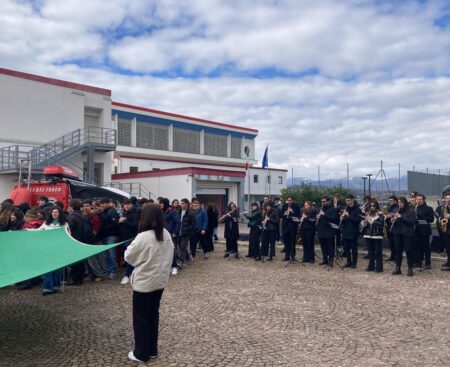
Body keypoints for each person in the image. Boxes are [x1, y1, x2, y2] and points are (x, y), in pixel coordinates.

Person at [124, 204, 174, 363]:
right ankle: (152, 349)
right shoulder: (166, 233)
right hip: (159, 281)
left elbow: (128, 257)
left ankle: (141, 353)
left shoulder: (143, 236)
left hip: (144, 283)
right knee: (153, 315)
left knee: (141, 318)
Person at [39, 206, 68, 295]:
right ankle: (47, 288)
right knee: (48, 268)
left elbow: (68, 235)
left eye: (56, 212)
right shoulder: (46, 223)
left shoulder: (64, 224)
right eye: (53, 212)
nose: (54, 214)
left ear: (59, 213)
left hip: (59, 249)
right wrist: (27, 230)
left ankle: (56, 286)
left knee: (58, 268)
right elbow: (38, 231)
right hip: (49, 248)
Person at [391, 196, 418, 276]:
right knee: (398, 251)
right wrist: (393, 220)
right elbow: (396, 221)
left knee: (408, 251)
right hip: (397, 233)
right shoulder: (397, 210)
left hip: (407, 234)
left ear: (405, 203)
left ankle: (410, 269)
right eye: (399, 203)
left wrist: (401, 217)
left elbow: (412, 222)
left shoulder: (411, 211)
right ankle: (397, 268)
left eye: (401, 203)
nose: (400, 204)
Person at [119, 199, 141, 284]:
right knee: (127, 257)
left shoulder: (134, 214)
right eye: (125, 204)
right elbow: (121, 227)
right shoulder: (124, 214)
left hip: (132, 239)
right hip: (124, 239)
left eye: (128, 204)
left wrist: (125, 222)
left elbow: (135, 226)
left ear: (131, 205)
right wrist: (120, 223)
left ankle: (127, 275)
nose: (126, 206)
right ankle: (130, 273)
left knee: (130, 257)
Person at [98, 198, 120, 279]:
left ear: (108, 203)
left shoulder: (112, 211)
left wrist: (105, 227)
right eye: (102, 203)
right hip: (104, 236)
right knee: (106, 255)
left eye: (104, 203)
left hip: (111, 235)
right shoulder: (102, 212)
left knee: (111, 254)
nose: (103, 205)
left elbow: (115, 223)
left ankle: (113, 271)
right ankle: (108, 270)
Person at [362, 199, 385, 272]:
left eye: (373, 206)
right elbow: (366, 225)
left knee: (378, 252)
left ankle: (379, 267)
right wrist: (365, 221)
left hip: (377, 235)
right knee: (371, 251)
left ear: (376, 206)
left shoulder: (380, 214)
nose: (372, 207)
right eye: (371, 205)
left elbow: (381, 224)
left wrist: (372, 220)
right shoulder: (368, 213)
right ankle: (370, 266)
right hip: (368, 234)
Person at [159, 198, 181, 274]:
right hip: (163, 234)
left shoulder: (172, 212)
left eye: (161, 203)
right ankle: (168, 266)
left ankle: (174, 266)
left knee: (172, 250)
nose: (160, 204)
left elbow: (178, 222)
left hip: (172, 234)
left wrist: (175, 232)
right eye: (159, 203)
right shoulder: (161, 212)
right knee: (164, 251)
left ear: (165, 203)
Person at [316, 196, 339, 266]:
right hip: (321, 230)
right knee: (323, 247)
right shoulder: (321, 209)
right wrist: (318, 217)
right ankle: (325, 259)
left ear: (328, 201)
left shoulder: (332, 209)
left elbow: (334, 219)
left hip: (329, 231)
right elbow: (321, 219)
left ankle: (330, 261)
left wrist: (324, 214)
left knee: (330, 247)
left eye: (324, 201)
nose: (323, 203)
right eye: (322, 202)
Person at [340, 195, 362, 269]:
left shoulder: (357, 209)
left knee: (353, 248)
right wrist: (342, 218)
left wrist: (349, 216)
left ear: (352, 200)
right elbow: (344, 221)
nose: (347, 202)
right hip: (345, 231)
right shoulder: (346, 209)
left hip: (353, 231)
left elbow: (358, 220)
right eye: (346, 200)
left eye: (349, 200)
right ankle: (348, 262)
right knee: (346, 248)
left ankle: (354, 263)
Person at [415, 194, 434, 269]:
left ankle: (427, 263)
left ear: (423, 200)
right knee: (418, 247)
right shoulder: (415, 208)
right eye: (417, 199)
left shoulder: (429, 208)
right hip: (417, 230)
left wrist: (421, 216)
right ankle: (419, 261)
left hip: (425, 230)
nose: (418, 201)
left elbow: (431, 220)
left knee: (426, 247)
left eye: (420, 199)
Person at [281, 196, 300, 261]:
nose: (289, 201)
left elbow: (298, 215)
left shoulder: (296, 206)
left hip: (292, 226)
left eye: (290, 200)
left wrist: (292, 212)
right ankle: (287, 256)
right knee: (286, 241)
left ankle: (293, 256)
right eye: (288, 200)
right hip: (285, 226)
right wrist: (284, 213)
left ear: (293, 200)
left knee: (292, 241)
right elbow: (280, 215)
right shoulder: (284, 206)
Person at [177, 198, 196, 266]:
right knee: (181, 246)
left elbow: (193, 223)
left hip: (186, 233)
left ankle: (181, 261)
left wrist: (188, 230)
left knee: (182, 246)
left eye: (182, 203)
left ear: (186, 204)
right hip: (178, 232)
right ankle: (188, 257)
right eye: (180, 203)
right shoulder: (178, 211)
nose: (181, 205)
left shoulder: (191, 213)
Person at [436, 194, 450, 271]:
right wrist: (441, 219)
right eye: (447, 198)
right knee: (448, 247)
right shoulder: (444, 207)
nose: (448, 200)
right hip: (446, 230)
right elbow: (441, 217)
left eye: (449, 198)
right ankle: (449, 261)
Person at [385, 196, 399, 261]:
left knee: (396, 243)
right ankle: (392, 255)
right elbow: (386, 214)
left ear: (395, 201)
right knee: (391, 242)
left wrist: (391, 215)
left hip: (395, 227)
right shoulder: (389, 207)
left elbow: (397, 214)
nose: (390, 202)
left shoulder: (397, 207)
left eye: (391, 200)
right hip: (389, 226)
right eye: (389, 200)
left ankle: (396, 256)